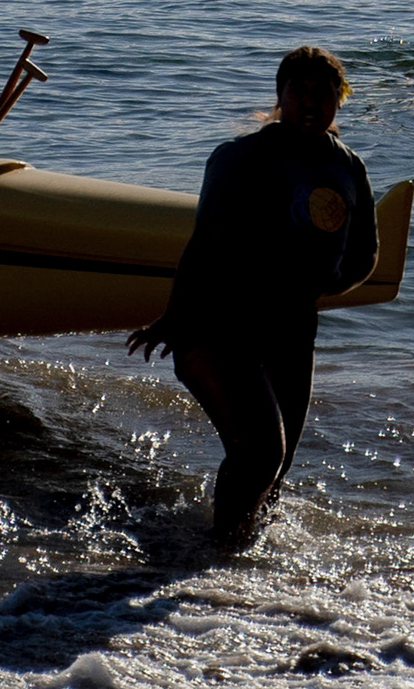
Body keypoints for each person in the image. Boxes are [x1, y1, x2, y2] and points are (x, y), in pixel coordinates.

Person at [131, 44, 378, 553]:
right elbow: (203, 244)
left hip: (290, 330)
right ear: (280, 97)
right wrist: (173, 316)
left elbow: (364, 255)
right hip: (217, 325)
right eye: (298, 91)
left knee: (276, 464)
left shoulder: (349, 168)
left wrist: (320, 287)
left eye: (323, 91)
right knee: (262, 454)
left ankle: (239, 575)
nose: (310, 101)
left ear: (341, 98)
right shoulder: (242, 157)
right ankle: (210, 560)